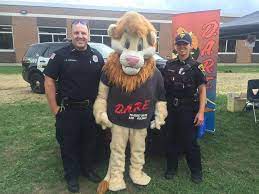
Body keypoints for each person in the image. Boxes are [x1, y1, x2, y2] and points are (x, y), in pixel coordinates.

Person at [44, 20, 103, 193]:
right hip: (68, 110)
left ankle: (87, 169)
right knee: (68, 145)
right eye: (77, 33)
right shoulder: (60, 55)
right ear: (71, 34)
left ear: (88, 35)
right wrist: (55, 109)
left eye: (83, 33)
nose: (80, 36)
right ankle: (71, 176)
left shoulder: (96, 55)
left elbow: (105, 81)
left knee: (90, 142)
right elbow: (48, 82)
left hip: (90, 110)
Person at [163, 32, 207, 184]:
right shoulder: (169, 65)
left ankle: (196, 171)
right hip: (171, 109)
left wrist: (201, 112)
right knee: (170, 139)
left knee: (190, 142)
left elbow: (202, 90)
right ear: (175, 46)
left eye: (185, 44)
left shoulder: (196, 66)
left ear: (190, 46)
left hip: (188, 109)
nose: (182, 47)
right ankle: (171, 168)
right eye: (179, 44)